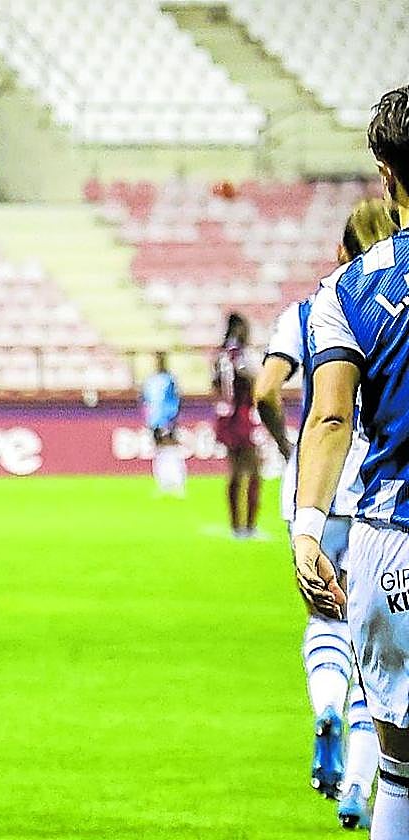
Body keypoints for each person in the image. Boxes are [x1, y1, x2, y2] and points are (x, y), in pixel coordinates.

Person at [255, 197, 397, 828]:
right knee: (380, 663)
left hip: (314, 485)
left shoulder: (313, 305)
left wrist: (290, 448)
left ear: (341, 249)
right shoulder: (394, 291)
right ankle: (358, 787)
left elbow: (267, 390)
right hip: (377, 486)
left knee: (323, 618)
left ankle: (325, 704)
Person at [296, 85, 409, 840]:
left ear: (385, 174)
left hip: (390, 540)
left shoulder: (348, 288)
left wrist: (308, 526)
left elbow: (331, 415)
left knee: (399, 772)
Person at [213, 312, 261, 538]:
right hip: (240, 417)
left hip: (226, 417)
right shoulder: (237, 354)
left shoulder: (221, 355)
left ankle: (236, 526)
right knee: (252, 471)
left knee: (235, 472)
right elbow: (249, 378)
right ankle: (248, 527)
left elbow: (215, 384)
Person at [140, 351, 185, 496]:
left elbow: (175, 399)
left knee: (171, 448)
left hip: (167, 419)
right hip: (155, 420)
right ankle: (163, 483)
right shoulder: (150, 381)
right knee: (159, 450)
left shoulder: (169, 380)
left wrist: (172, 417)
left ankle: (177, 483)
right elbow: (145, 400)